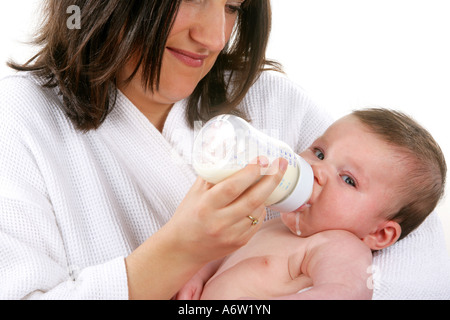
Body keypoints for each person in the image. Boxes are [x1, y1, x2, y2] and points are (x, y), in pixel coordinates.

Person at [0, 0, 332, 299]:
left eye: (232, 6)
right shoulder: (18, 119)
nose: (215, 38)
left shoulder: (274, 101)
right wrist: (179, 251)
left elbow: (381, 230)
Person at [177, 108, 447, 300]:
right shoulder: (269, 222)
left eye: (348, 179)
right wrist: (197, 275)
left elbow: (344, 293)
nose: (317, 169)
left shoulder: (339, 246)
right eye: (319, 152)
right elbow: (219, 255)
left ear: (379, 233)